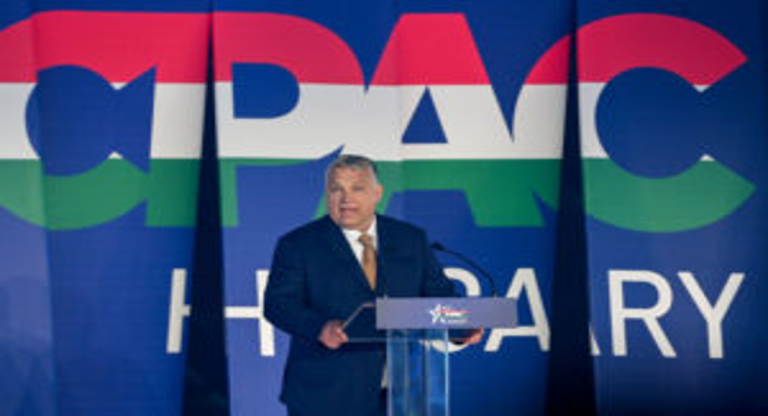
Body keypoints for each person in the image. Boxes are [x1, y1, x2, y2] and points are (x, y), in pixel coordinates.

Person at [264, 154, 480, 416]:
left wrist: (460, 328)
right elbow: (278, 304)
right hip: (326, 393)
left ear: (377, 193)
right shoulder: (298, 244)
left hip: (400, 393)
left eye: (357, 188)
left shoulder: (410, 239)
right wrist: (320, 328)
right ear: (327, 194)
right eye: (336, 189)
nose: (346, 199)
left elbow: (440, 297)